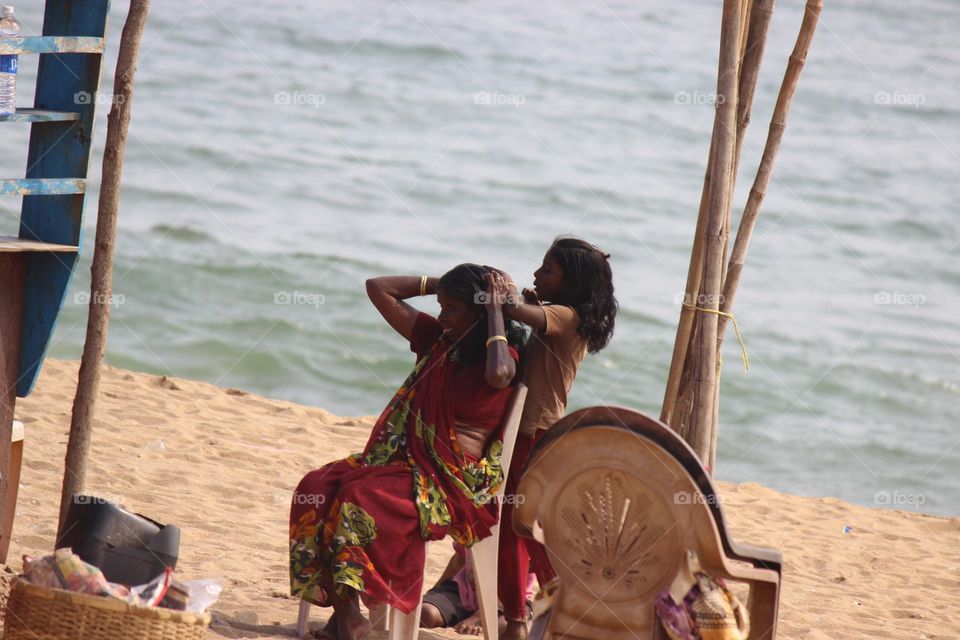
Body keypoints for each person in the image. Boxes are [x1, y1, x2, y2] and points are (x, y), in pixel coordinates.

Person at [289, 265, 525, 640]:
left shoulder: (501, 358)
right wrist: (443, 285)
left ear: (480, 312)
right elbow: (378, 288)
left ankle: (347, 621)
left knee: (359, 495)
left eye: (452, 308)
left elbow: (499, 376)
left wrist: (494, 307)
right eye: (441, 306)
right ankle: (346, 612)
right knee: (317, 485)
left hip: (453, 483)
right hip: (405, 465)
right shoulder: (439, 342)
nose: (442, 316)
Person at [486, 236, 618, 640]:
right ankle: (551, 611)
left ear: (571, 281)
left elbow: (513, 310)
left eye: (547, 270)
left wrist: (501, 291)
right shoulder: (564, 315)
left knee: (518, 526)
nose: (537, 274)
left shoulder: (566, 316)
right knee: (526, 525)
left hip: (534, 432)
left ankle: (525, 618)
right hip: (538, 432)